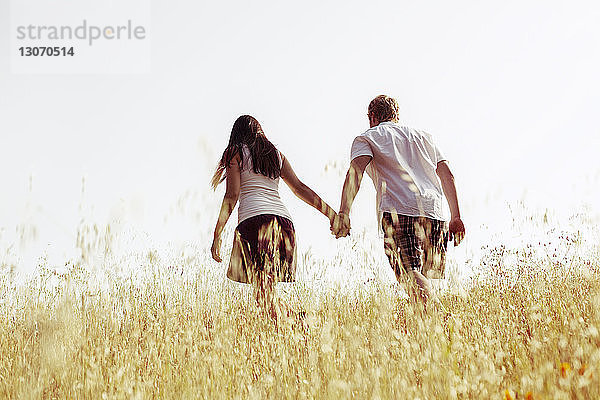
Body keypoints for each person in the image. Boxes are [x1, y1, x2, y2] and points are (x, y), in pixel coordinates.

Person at [331, 95, 465, 305]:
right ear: (396, 115)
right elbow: (447, 175)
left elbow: (355, 172)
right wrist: (455, 216)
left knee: (408, 274)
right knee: (425, 281)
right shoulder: (424, 137)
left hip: (399, 210)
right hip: (434, 212)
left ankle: (441, 317)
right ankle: (433, 334)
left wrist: (344, 212)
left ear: (372, 117)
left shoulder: (368, 137)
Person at [211, 115, 336, 320]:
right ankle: (297, 322)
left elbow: (232, 195)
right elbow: (300, 188)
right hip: (284, 224)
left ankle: (301, 322)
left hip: (255, 222)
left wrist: (217, 234)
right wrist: (331, 214)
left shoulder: (235, 152)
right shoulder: (276, 155)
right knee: (266, 293)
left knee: (263, 296)